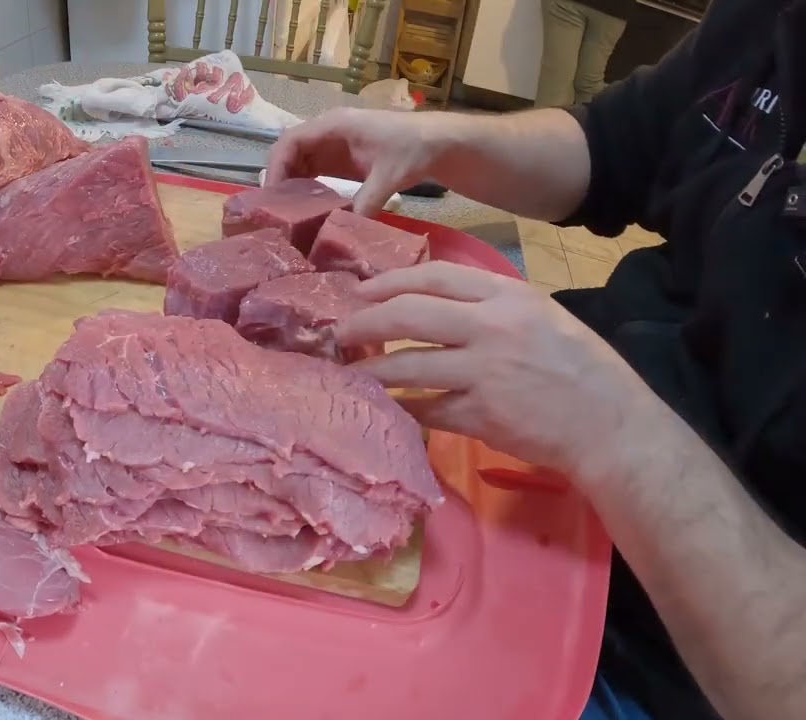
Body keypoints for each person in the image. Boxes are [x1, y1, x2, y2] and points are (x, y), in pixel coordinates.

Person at [266, 0, 806, 717]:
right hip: (534, 502)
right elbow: (614, 144)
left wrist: (619, 432)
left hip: (664, 671)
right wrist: (436, 140)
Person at [535, 0, 630, 107]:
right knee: (588, 84)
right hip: (614, 9)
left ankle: (549, 122)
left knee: (557, 80)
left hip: (570, 6)